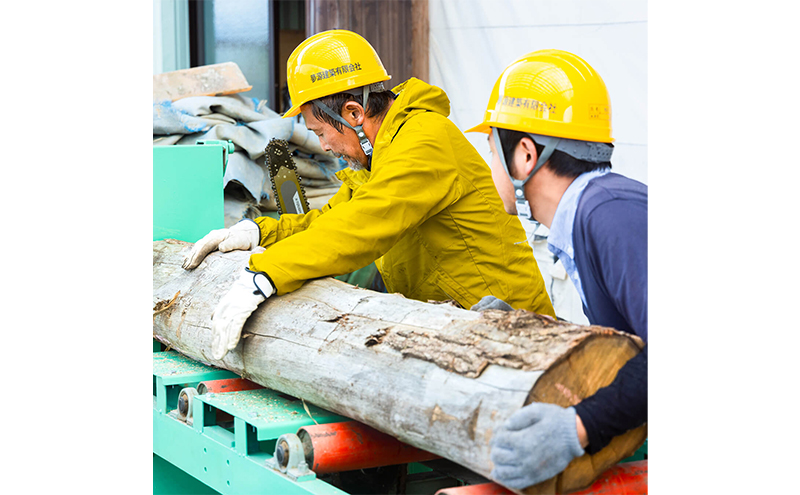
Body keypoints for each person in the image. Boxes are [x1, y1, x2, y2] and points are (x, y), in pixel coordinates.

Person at [182, 30, 555, 361]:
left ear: (353, 113)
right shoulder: (383, 156)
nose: (324, 147)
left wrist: (267, 273)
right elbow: (333, 219)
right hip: (464, 331)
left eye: (321, 132)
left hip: (518, 335)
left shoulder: (424, 140)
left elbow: (363, 225)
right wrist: (258, 233)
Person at [466, 49, 647, 489]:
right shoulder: (589, 214)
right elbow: (630, 340)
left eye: (492, 152)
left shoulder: (609, 216)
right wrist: (531, 330)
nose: (490, 170)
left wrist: (579, 427)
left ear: (525, 155)